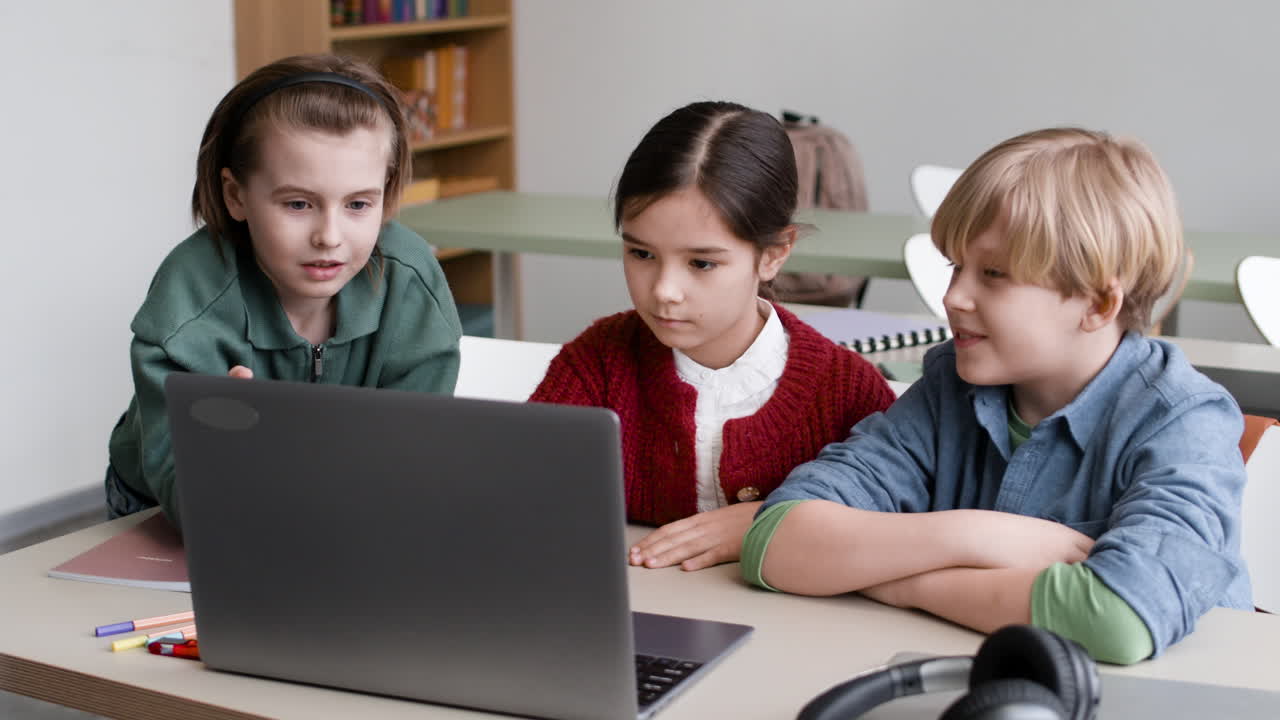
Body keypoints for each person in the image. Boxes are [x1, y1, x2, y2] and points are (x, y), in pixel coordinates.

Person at [743, 127, 1252, 664]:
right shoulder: (950, 389)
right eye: (955, 266)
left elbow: (1119, 619)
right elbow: (776, 543)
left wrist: (901, 585)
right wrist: (979, 537)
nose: (953, 296)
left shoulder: (1183, 421)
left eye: (993, 274)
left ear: (1099, 304)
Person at [529, 101, 896, 571]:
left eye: (701, 263)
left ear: (774, 254)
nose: (664, 291)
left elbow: (895, 522)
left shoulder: (847, 391)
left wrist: (775, 520)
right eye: (641, 253)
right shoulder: (597, 362)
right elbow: (521, 490)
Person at [105, 54, 462, 529]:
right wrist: (224, 453)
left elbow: (415, 458)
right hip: (164, 509)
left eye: (358, 203)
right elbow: (193, 504)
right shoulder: (187, 304)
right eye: (298, 203)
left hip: (341, 499)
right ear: (236, 196)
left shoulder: (411, 283)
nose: (329, 236)